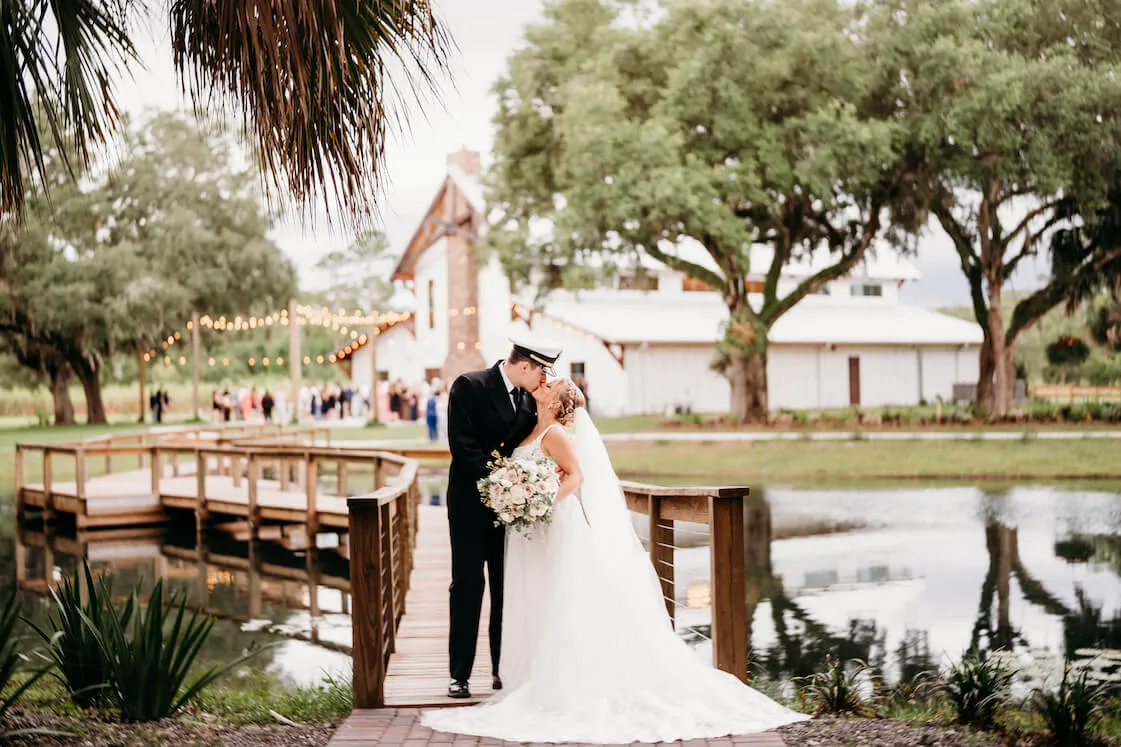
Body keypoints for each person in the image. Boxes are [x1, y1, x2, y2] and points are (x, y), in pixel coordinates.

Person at [422, 379, 808, 743]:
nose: (544, 383)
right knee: (537, 596)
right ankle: (529, 675)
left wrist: (541, 501)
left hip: (552, 522)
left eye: (551, 385)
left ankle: (564, 682)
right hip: (531, 532)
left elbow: (576, 476)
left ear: (557, 402)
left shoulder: (555, 433)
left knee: (562, 597)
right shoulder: (528, 423)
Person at [441, 336, 559, 700]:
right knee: (467, 585)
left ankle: (500, 669)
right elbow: (462, 447)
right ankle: (459, 674)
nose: (544, 378)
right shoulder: (470, 386)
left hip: (511, 508)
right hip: (470, 503)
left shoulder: (528, 400)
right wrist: (501, 485)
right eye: (542, 370)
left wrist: (519, 491)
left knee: (507, 587)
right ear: (525, 365)